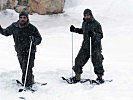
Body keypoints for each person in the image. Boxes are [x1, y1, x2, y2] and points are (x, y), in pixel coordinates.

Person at [0, 11, 42, 87]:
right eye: (21, 17)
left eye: (24, 18)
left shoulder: (31, 28)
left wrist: (34, 40)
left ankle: (27, 84)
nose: (22, 19)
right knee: (23, 67)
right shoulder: (14, 26)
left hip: (29, 51)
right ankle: (30, 79)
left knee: (27, 68)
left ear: (27, 18)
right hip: (19, 51)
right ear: (19, 18)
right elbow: (6, 32)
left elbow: (39, 39)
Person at [70, 9, 104, 83]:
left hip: (95, 47)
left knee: (97, 61)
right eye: (85, 15)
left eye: (88, 15)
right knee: (78, 60)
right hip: (85, 46)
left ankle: (99, 77)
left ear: (91, 15)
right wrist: (75, 30)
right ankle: (77, 77)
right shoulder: (84, 23)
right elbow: (83, 31)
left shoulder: (96, 24)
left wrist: (94, 34)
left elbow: (101, 35)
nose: (86, 16)